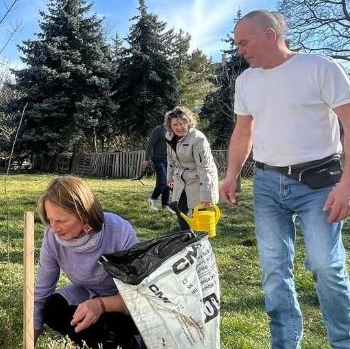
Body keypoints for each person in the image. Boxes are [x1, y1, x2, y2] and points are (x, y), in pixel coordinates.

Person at [220, 10, 350, 349]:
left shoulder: (320, 68)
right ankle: (284, 343)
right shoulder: (246, 82)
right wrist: (231, 175)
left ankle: (346, 344)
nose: (239, 49)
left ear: (270, 36)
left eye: (244, 41)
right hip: (268, 184)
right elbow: (244, 132)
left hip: (320, 182)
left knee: (325, 265)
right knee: (274, 272)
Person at [34, 176, 145, 349]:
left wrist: (101, 305)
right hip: (88, 293)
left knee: (114, 329)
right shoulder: (52, 237)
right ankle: (99, 340)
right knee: (52, 309)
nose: (54, 229)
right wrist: (29, 339)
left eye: (61, 221)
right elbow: (41, 293)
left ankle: (127, 340)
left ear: (84, 214)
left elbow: (141, 294)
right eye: (50, 220)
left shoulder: (119, 231)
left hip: (124, 300)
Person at [164, 106, 219, 231]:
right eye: (175, 124)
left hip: (200, 178)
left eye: (182, 123)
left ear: (189, 122)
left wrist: (206, 195)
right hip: (181, 178)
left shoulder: (198, 139)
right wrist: (169, 177)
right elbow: (171, 160)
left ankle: (201, 241)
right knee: (180, 209)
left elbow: (205, 168)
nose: (179, 127)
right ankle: (186, 236)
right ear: (170, 125)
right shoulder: (169, 137)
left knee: (199, 212)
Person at [141, 123, 172, 212]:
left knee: (168, 183)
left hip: (169, 160)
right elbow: (150, 145)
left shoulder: (173, 130)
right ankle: (152, 200)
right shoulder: (159, 129)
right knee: (162, 182)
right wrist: (147, 159)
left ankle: (165, 206)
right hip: (158, 159)